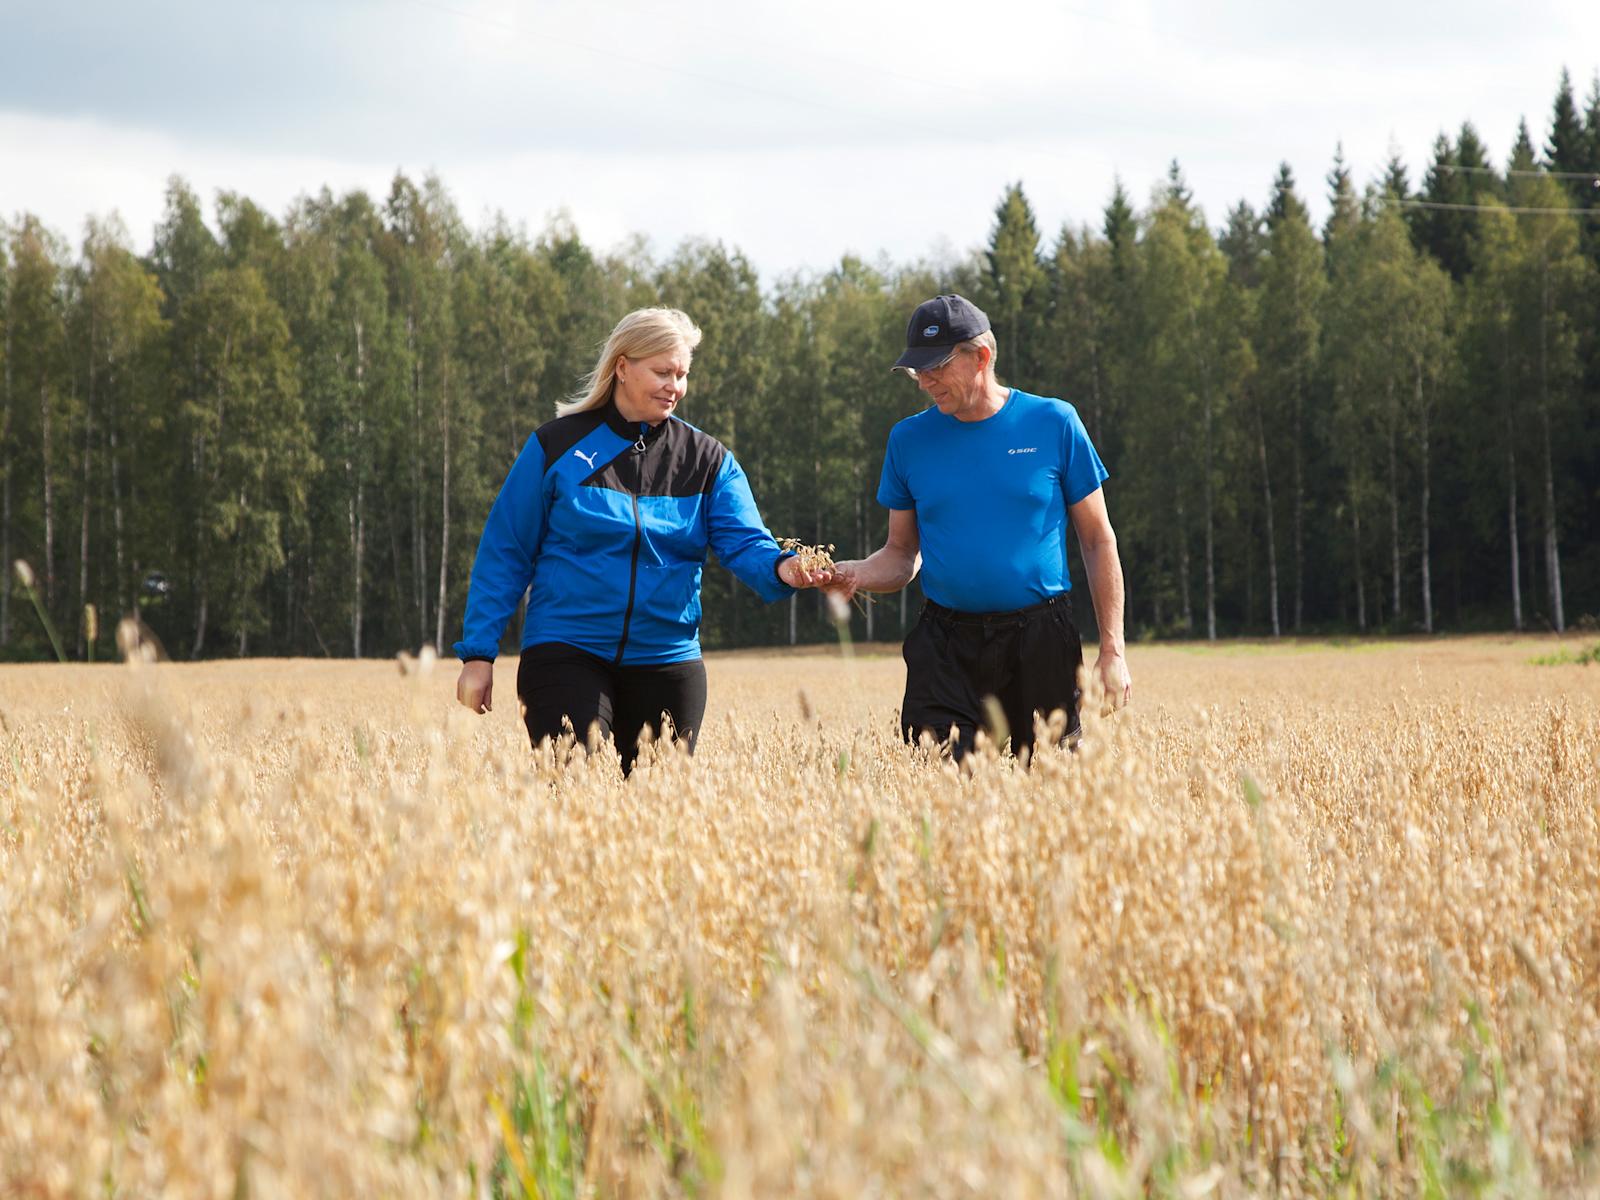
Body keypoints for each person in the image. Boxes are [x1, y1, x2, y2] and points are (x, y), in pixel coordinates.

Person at [454, 307, 831, 774]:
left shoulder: (709, 460)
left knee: (658, 814)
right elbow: (506, 551)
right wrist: (478, 654)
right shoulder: (555, 447)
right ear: (622, 367)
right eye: (662, 372)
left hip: (667, 658)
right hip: (567, 649)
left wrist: (783, 567)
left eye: (682, 374)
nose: (675, 385)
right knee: (575, 796)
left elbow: (745, 541)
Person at [828, 294, 1131, 762]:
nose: (925, 381)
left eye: (937, 366)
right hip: (946, 644)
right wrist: (854, 573)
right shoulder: (908, 440)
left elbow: (1097, 539)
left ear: (982, 357)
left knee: (1049, 792)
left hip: (1042, 640)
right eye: (917, 370)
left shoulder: (1054, 422)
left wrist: (1112, 649)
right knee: (939, 784)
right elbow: (901, 554)